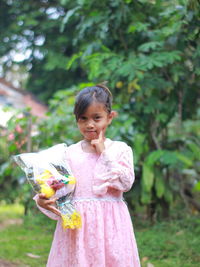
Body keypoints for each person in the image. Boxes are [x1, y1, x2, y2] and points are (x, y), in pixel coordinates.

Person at [35, 84, 141, 267]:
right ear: (76, 120)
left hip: (111, 229)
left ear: (110, 117)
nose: (89, 124)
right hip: (77, 230)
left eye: (96, 118)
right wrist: (43, 200)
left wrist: (103, 152)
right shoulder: (68, 154)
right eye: (83, 119)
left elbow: (126, 183)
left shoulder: (120, 150)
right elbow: (61, 190)